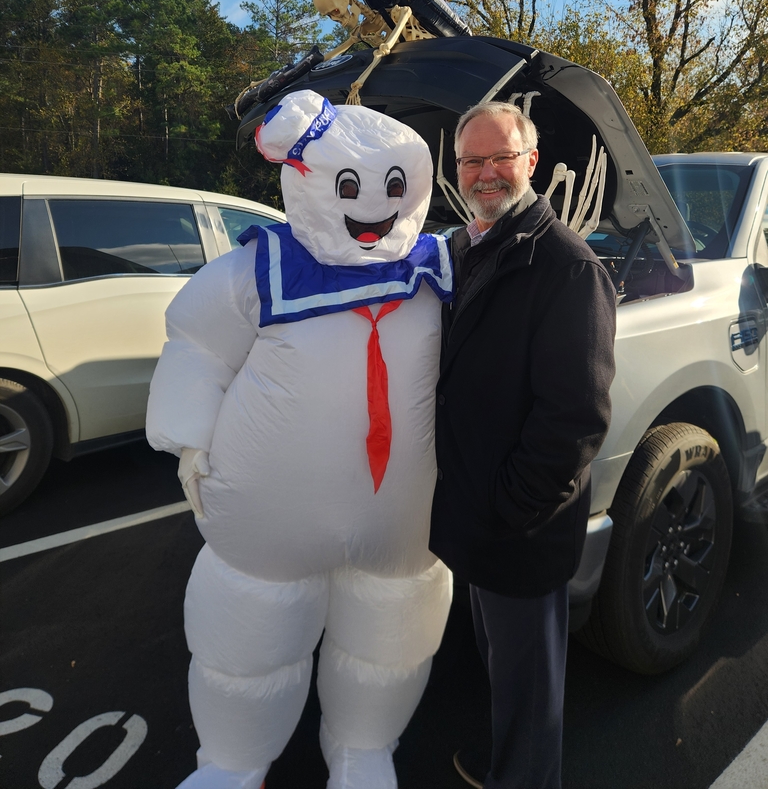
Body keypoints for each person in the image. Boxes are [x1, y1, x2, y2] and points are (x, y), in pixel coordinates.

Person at [146, 90, 453, 789]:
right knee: (250, 634)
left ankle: (364, 748)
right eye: (350, 186)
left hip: (402, 518)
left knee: (393, 636)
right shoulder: (264, 268)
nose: (374, 205)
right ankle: (233, 759)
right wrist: (190, 439)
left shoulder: (437, 268)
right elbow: (197, 344)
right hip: (271, 515)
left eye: (393, 186)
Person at [429, 100, 616, 789]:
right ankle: (505, 757)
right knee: (499, 665)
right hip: (478, 521)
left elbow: (576, 417)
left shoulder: (565, 266)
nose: (485, 173)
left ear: (530, 161)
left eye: (500, 157)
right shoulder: (465, 248)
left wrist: (508, 510)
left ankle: (525, 775)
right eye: (472, 160)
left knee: (531, 687)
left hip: (519, 529)